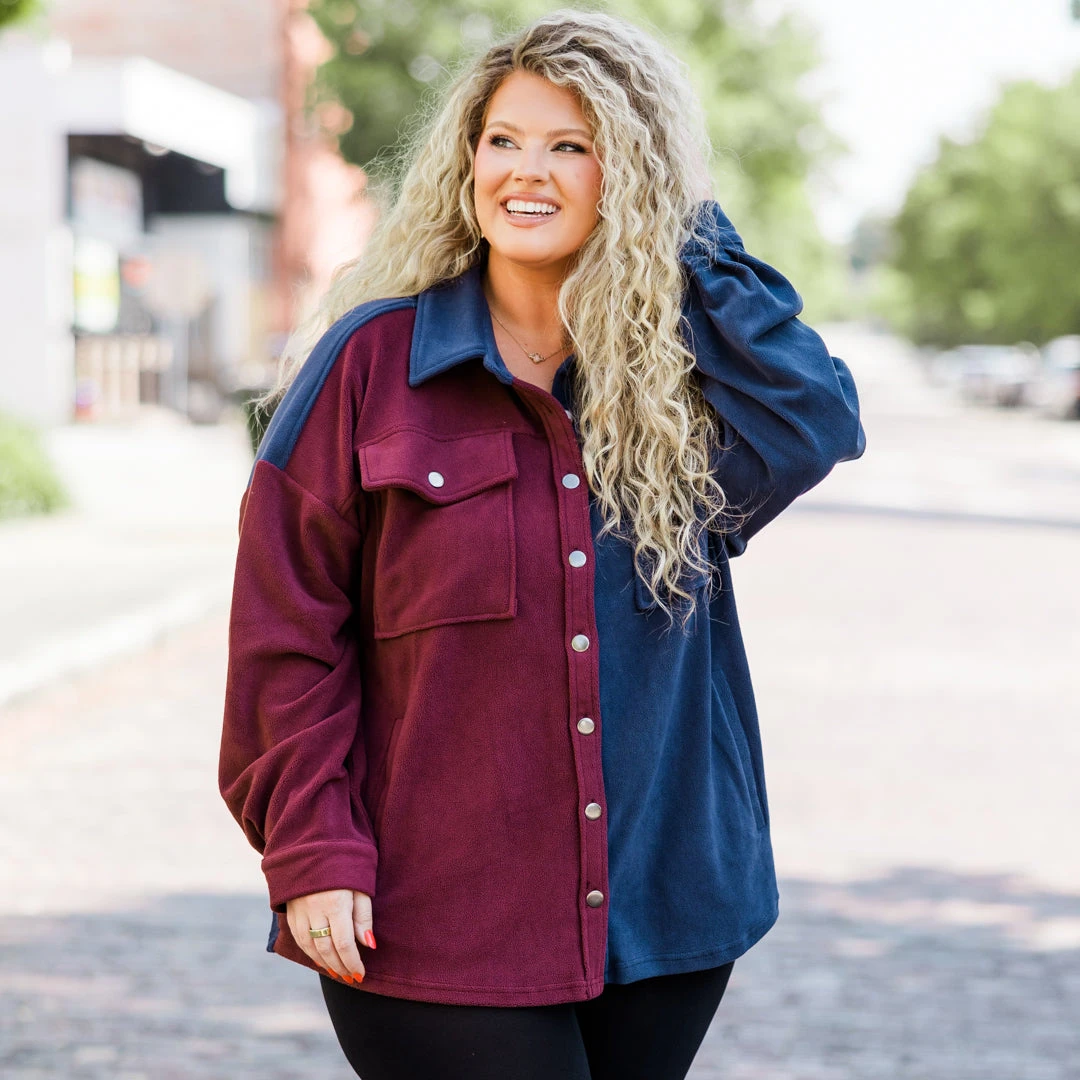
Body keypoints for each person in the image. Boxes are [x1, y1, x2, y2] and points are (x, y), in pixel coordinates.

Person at [219, 9, 865, 1079]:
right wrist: (312, 845)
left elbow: (816, 419)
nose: (528, 171)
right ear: (466, 161)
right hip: (430, 920)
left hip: (662, 912)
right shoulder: (370, 369)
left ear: (629, 176)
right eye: (504, 140)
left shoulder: (676, 386)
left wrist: (682, 232)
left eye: (573, 145)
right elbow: (284, 637)